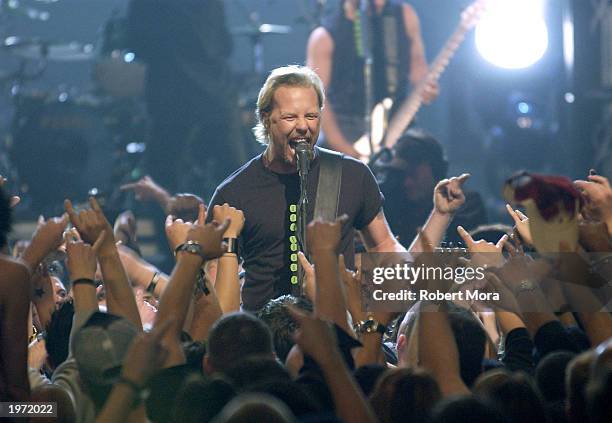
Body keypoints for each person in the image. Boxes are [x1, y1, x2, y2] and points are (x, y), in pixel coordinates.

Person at [207, 65, 467, 311]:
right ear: (266, 118)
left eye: (311, 115)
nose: (303, 126)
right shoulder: (233, 193)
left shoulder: (351, 175)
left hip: (337, 327)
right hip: (264, 340)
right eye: (289, 117)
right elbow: (213, 287)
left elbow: (384, 248)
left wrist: (439, 217)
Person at [125, 0, 247, 195]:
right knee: (233, 176)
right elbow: (225, 44)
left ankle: (170, 223)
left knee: (163, 179)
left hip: (170, 92)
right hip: (214, 91)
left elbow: (136, 41)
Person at [307, 0, 439, 158]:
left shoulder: (404, 15)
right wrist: (348, 153)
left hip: (398, 126)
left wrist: (426, 87)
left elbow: (418, 65)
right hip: (346, 131)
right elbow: (316, 101)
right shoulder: (324, 36)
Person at [376, 128, 487, 247]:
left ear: (436, 169)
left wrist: (441, 215)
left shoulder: (467, 205)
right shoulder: (397, 204)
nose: (407, 183)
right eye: (403, 176)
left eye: (413, 174)